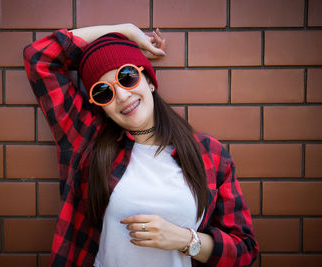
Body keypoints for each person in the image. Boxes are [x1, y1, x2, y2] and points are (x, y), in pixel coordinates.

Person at [23, 23, 258, 267]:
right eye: (104, 92)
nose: (123, 96)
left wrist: (185, 240)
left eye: (127, 77)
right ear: (100, 105)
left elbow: (245, 251)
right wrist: (124, 30)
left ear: (149, 80)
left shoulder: (210, 154)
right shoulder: (87, 140)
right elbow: (39, 58)